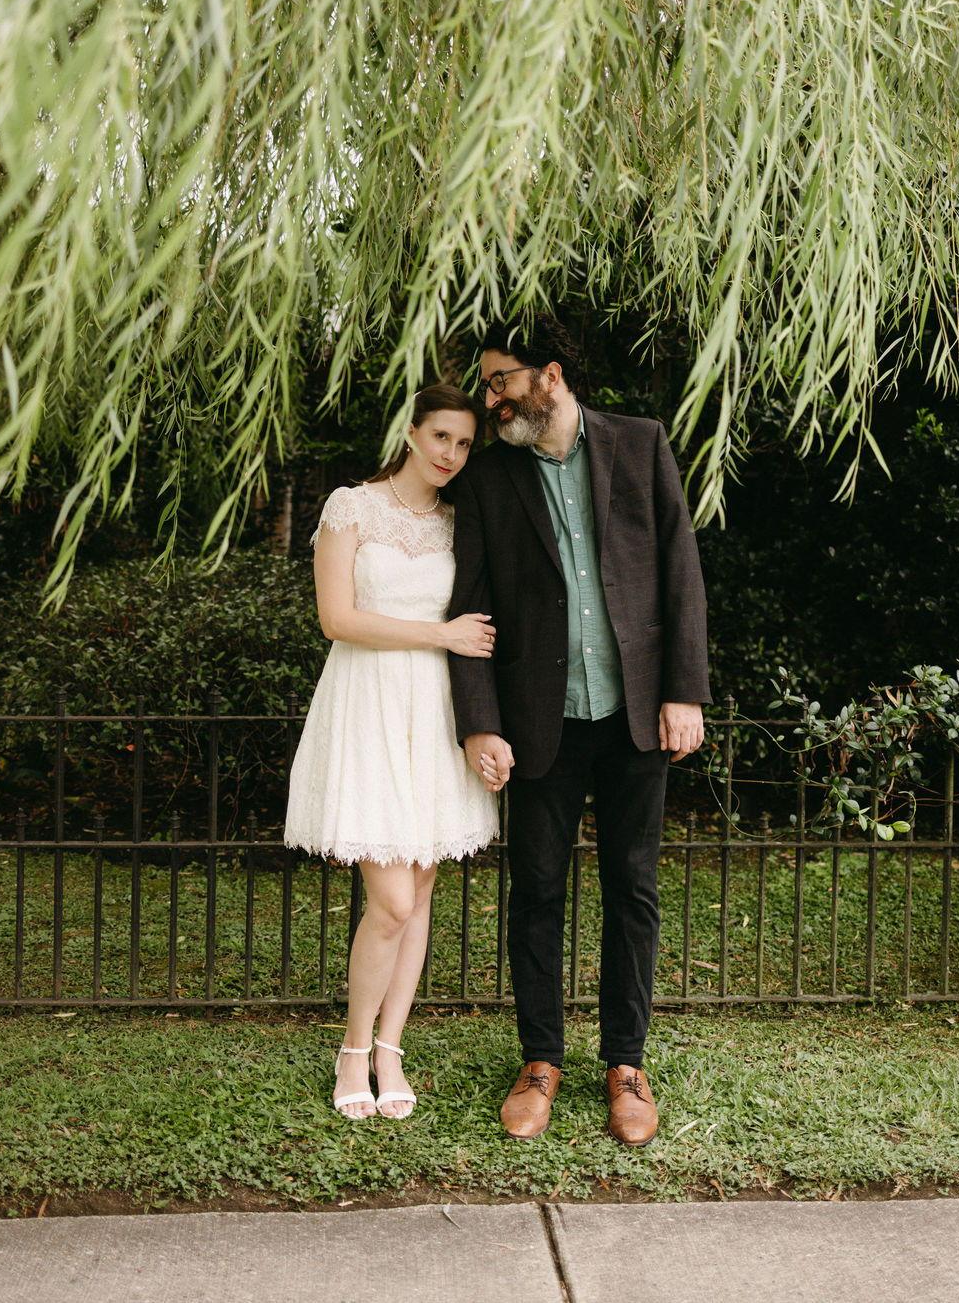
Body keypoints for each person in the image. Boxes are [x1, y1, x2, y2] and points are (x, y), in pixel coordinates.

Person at [446, 319, 710, 1147]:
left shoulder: (639, 443)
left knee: (632, 890)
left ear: (549, 376)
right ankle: (539, 1060)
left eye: (499, 381)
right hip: (540, 720)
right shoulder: (490, 479)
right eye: (486, 385)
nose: (489, 398)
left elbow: (678, 568)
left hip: (635, 713)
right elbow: (471, 603)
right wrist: (479, 721)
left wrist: (684, 691)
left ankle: (625, 1064)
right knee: (536, 892)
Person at [284, 384, 501, 1121]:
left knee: (423, 889)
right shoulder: (351, 506)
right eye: (441, 436)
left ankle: (390, 1047)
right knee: (391, 897)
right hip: (368, 701)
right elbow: (336, 617)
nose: (451, 454)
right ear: (410, 433)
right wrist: (438, 634)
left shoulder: (454, 522)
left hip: (431, 709)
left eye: (464, 443)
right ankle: (352, 1047)